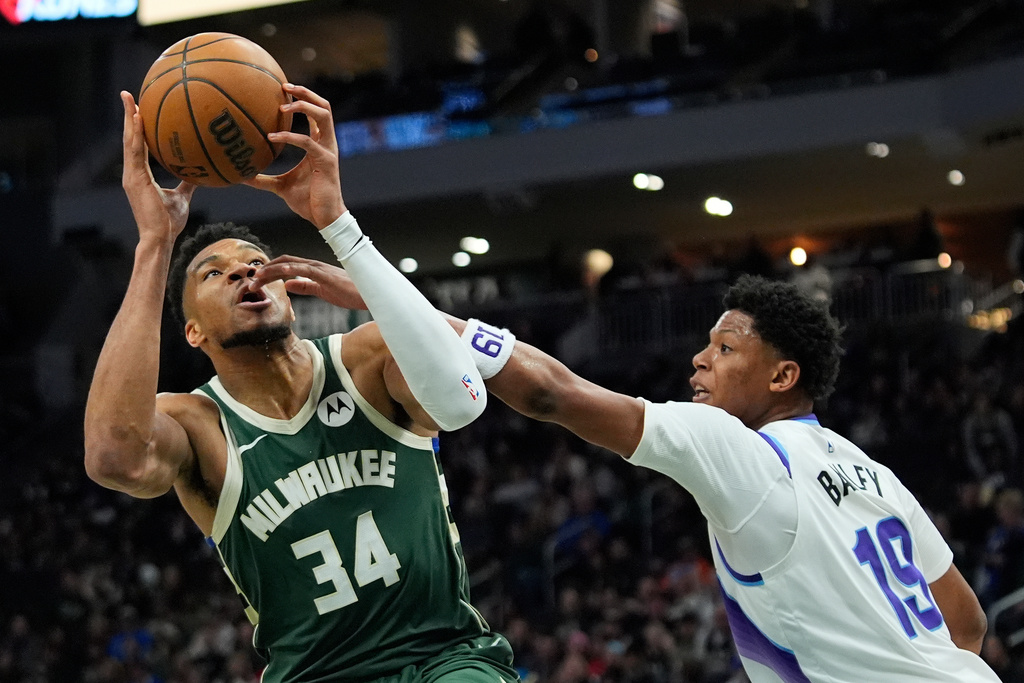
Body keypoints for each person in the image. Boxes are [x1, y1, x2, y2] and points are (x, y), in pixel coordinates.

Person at [83, 84, 518, 683]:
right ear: (192, 333)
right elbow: (113, 457)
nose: (242, 270)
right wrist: (155, 244)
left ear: (288, 288)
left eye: (257, 264)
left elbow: (459, 399)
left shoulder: (365, 357)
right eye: (214, 273)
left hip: (441, 660)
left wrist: (337, 222)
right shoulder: (197, 424)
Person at [453, 275, 1000, 682]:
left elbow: (551, 392)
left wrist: (412, 314)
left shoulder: (744, 451)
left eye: (725, 348)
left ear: (783, 376)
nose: (698, 358)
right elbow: (967, 622)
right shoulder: (876, 474)